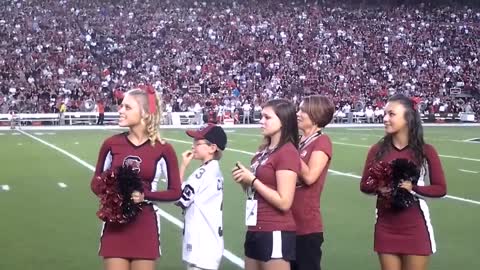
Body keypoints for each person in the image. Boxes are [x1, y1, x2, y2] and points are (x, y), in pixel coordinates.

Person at [90, 86, 182, 270]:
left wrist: (144, 196)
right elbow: (95, 183)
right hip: (116, 223)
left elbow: (175, 192)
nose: (120, 110)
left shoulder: (164, 149)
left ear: (145, 113)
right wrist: (112, 189)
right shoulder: (111, 144)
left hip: (145, 224)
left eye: (127, 107)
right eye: (121, 106)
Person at [360, 94, 447, 270]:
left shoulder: (426, 151)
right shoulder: (377, 150)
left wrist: (412, 188)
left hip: (415, 226)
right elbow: (364, 185)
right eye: (384, 114)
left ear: (408, 118)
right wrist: (380, 186)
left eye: (391, 114)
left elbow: (440, 188)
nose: (385, 118)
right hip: (386, 225)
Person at [232, 99, 301, 270]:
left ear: (283, 121)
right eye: (261, 116)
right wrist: (245, 181)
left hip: (275, 229)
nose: (261, 121)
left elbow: (284, 202)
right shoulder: (263, 152)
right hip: (255, 227)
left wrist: (253, 180)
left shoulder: (287, 152)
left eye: (267, 117)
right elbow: (256, 190)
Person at [175, 123, 228, 270]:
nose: (193, 147)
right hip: (208, 242)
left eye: (198, 143)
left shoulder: (203, 173)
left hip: (202, 244)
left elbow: (180, 197)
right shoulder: (212, 170)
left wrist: (183, 166)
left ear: (212, 148)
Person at [291, 95, 334, 270]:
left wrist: (288, 147)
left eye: (303, 110)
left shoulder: (322, 141)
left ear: (315, 115)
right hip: (286, 221)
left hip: (306, 225)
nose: (298, 114)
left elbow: (309, 177)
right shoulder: (298, 141)